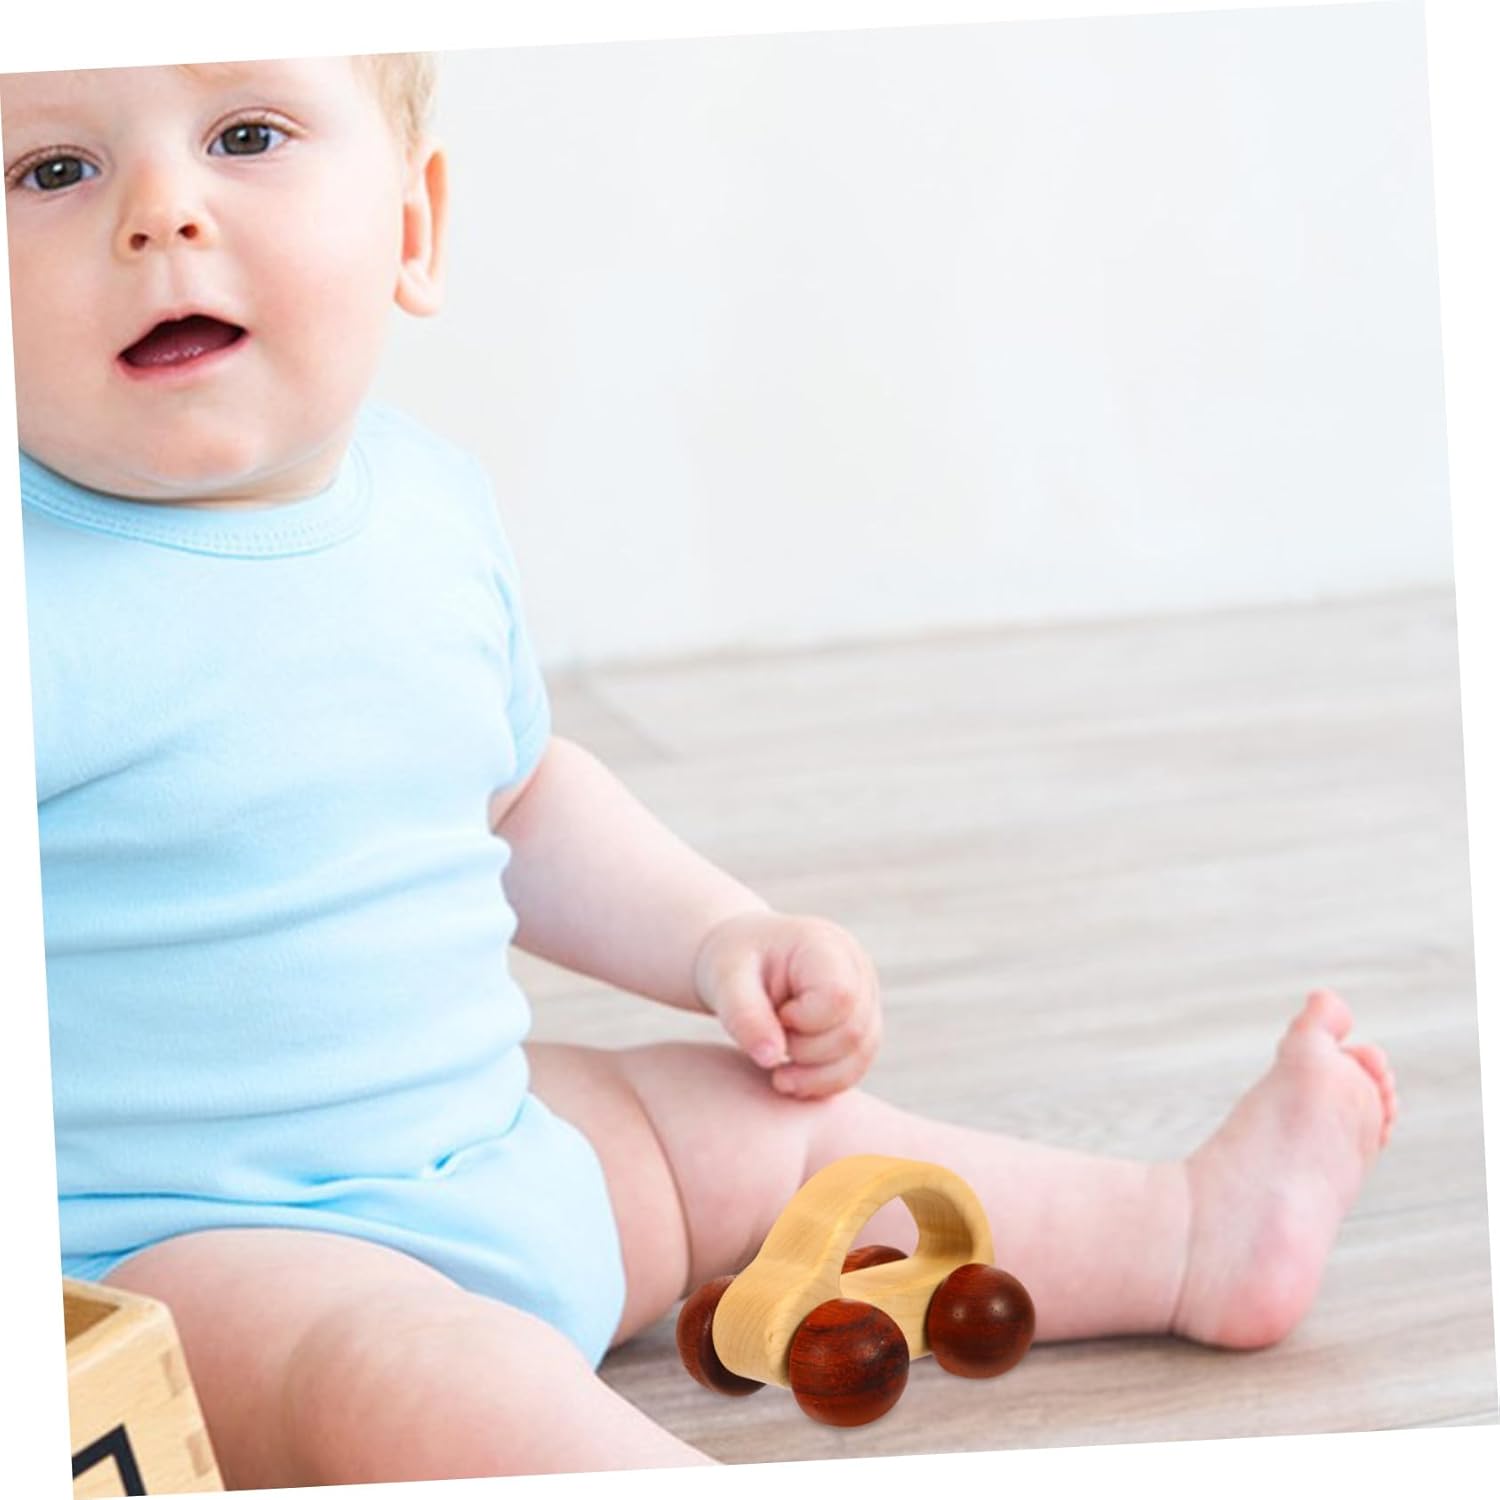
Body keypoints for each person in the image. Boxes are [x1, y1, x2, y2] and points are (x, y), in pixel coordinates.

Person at [3, 52, 1398, 1487]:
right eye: (54, 170)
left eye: (246, 135)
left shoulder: (426, 503)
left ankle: (1185, 1235)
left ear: (412, 230)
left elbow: (516, 796)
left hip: (495, 1143)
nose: (160, 210)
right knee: (412, 1373)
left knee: (763, 1133)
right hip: (182, 1259)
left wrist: (717, 932)